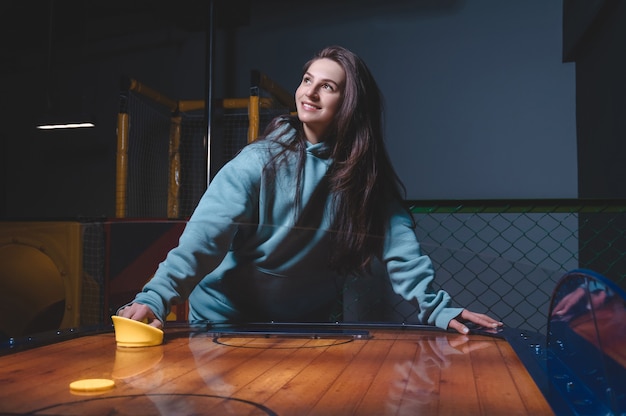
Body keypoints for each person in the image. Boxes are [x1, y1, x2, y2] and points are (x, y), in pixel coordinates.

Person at [119, 45, 503, 335]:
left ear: (349, 103)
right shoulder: (258, 162)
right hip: (226, 317)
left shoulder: (367, 180)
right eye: (307, 80)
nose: (310, 92)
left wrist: (439, 309)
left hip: (303, 323)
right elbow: (202, 240)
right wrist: (155, 298)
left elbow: (401, 249)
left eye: (328, 86)